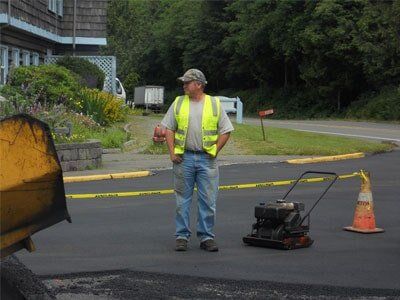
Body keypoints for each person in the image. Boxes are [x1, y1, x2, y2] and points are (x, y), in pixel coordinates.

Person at [161, 69, 234, 252]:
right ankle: (182, 236)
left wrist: (215, 150)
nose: (184, 85)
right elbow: (168, 129)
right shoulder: (178, 102)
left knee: (208, 201)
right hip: (183, 158)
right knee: (182, 200)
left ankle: (206, 237)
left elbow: (226, 130)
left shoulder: (214, 104)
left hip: (206, 160)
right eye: (183, 82)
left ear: (199, 84)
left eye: (187, 82)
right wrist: (172, 153)